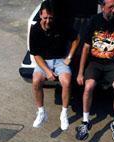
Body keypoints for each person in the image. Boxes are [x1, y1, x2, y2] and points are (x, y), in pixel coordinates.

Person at [76, 0, 114, 142]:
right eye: (111, 7)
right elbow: (86, 48)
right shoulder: (93, 21)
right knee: (88, 87)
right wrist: (80, 73)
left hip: (112, 64)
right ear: (103, 7)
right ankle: (85, 122)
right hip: (95, 63)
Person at [29, 1, 80, 130]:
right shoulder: (35, 30)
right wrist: (47, 71)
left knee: (67, 82)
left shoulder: (61, 25)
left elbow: (76, 39)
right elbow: (36, 55)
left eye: (50, 18)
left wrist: (69, 57)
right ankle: (41, 112)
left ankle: (64, 114)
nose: (48, 21)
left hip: (60, 60)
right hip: (43, 61)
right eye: (45, 18)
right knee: (36, 81)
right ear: (40, 15)